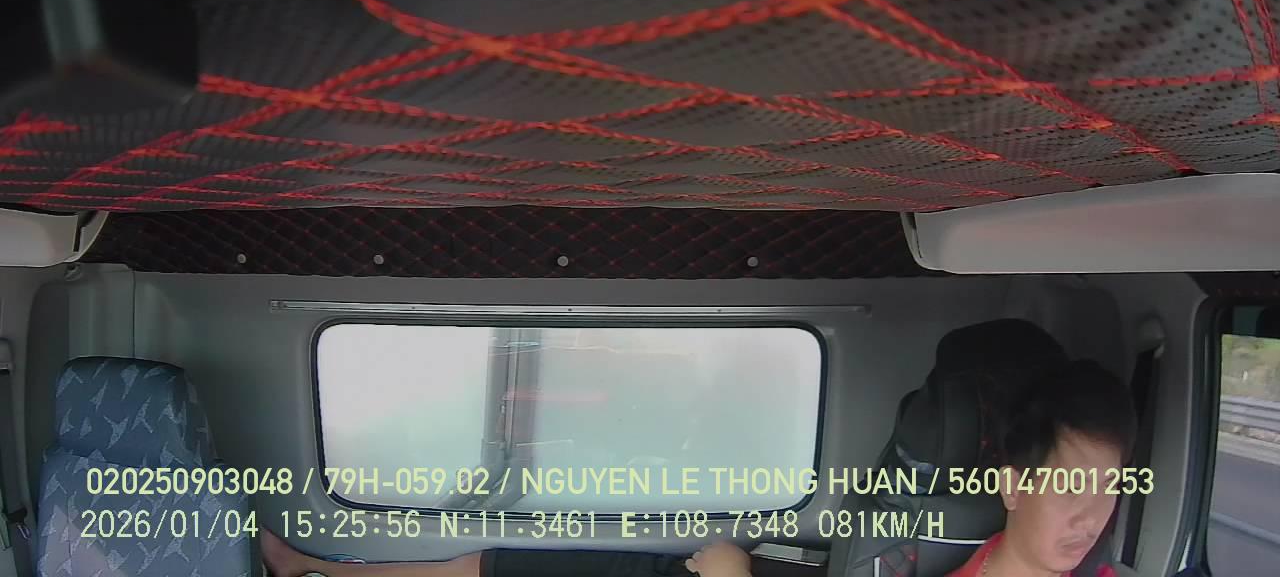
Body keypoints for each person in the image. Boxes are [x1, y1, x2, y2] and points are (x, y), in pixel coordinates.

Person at [262, 358, 1136, 577]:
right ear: (1013, 485)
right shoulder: (950, 547)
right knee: (531, 561)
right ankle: (320, 566)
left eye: (1108, 489)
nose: (1091, 516)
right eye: (1073, 485)